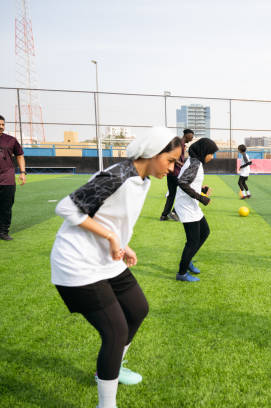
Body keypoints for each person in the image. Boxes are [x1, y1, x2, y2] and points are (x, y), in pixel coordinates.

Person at [50, 128, 182, 408]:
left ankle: (111, 368)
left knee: (138, 309)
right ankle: (106, 404)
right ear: (152, 153)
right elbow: (66, 208)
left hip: (106, 262)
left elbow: (111, 217)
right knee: (115, 331)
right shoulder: (118, 176)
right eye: (169, 161)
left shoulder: (142, 179)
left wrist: (122, 243)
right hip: (78, 264)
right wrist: (111, 238)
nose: (171, 169)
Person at [174, 137, 219, 282]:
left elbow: (189, 181)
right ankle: (182, 273)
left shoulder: (195, 161)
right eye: (211, 153)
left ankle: (188, 261)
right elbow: (182, 182)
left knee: (205, 232)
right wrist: (201, 197)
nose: (212, 157)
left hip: (191, 205)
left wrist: (202, 188)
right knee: (192, 241)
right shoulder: (195, 163)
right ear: (204, 151)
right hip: (186, 207)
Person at [0, 115, 27, 241]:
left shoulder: (11, 140)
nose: (1, 127)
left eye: (3, 125)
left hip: (7, 179)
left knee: (6, 207)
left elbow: (20, 155)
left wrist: (22, 172)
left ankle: (3, 231)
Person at [160, 129, 194, 221]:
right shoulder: (178, 143)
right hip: (176, 173)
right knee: (185, 192)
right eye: (191, 136)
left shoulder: (180, 144)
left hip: (171, 173)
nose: (192, 138)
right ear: (187, 135)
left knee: (172, 194)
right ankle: (174, 212)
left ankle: (164, 215)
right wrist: (181, 164)